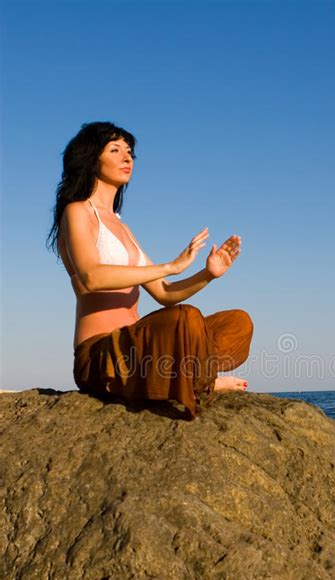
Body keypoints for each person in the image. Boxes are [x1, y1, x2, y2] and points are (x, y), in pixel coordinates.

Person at [46, 121, 254, 419]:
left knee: (238, 322)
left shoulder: (122, 226)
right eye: (115, 150)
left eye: (129, 152)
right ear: (92, 158)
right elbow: (91, 277)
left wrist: (207, 274)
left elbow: (165, 293)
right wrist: (169, 265)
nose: (127, 158)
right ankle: (202, 382)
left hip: (139, 348)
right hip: (101, 354)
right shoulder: (77, 211)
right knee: (186, 318)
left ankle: (189, 376)